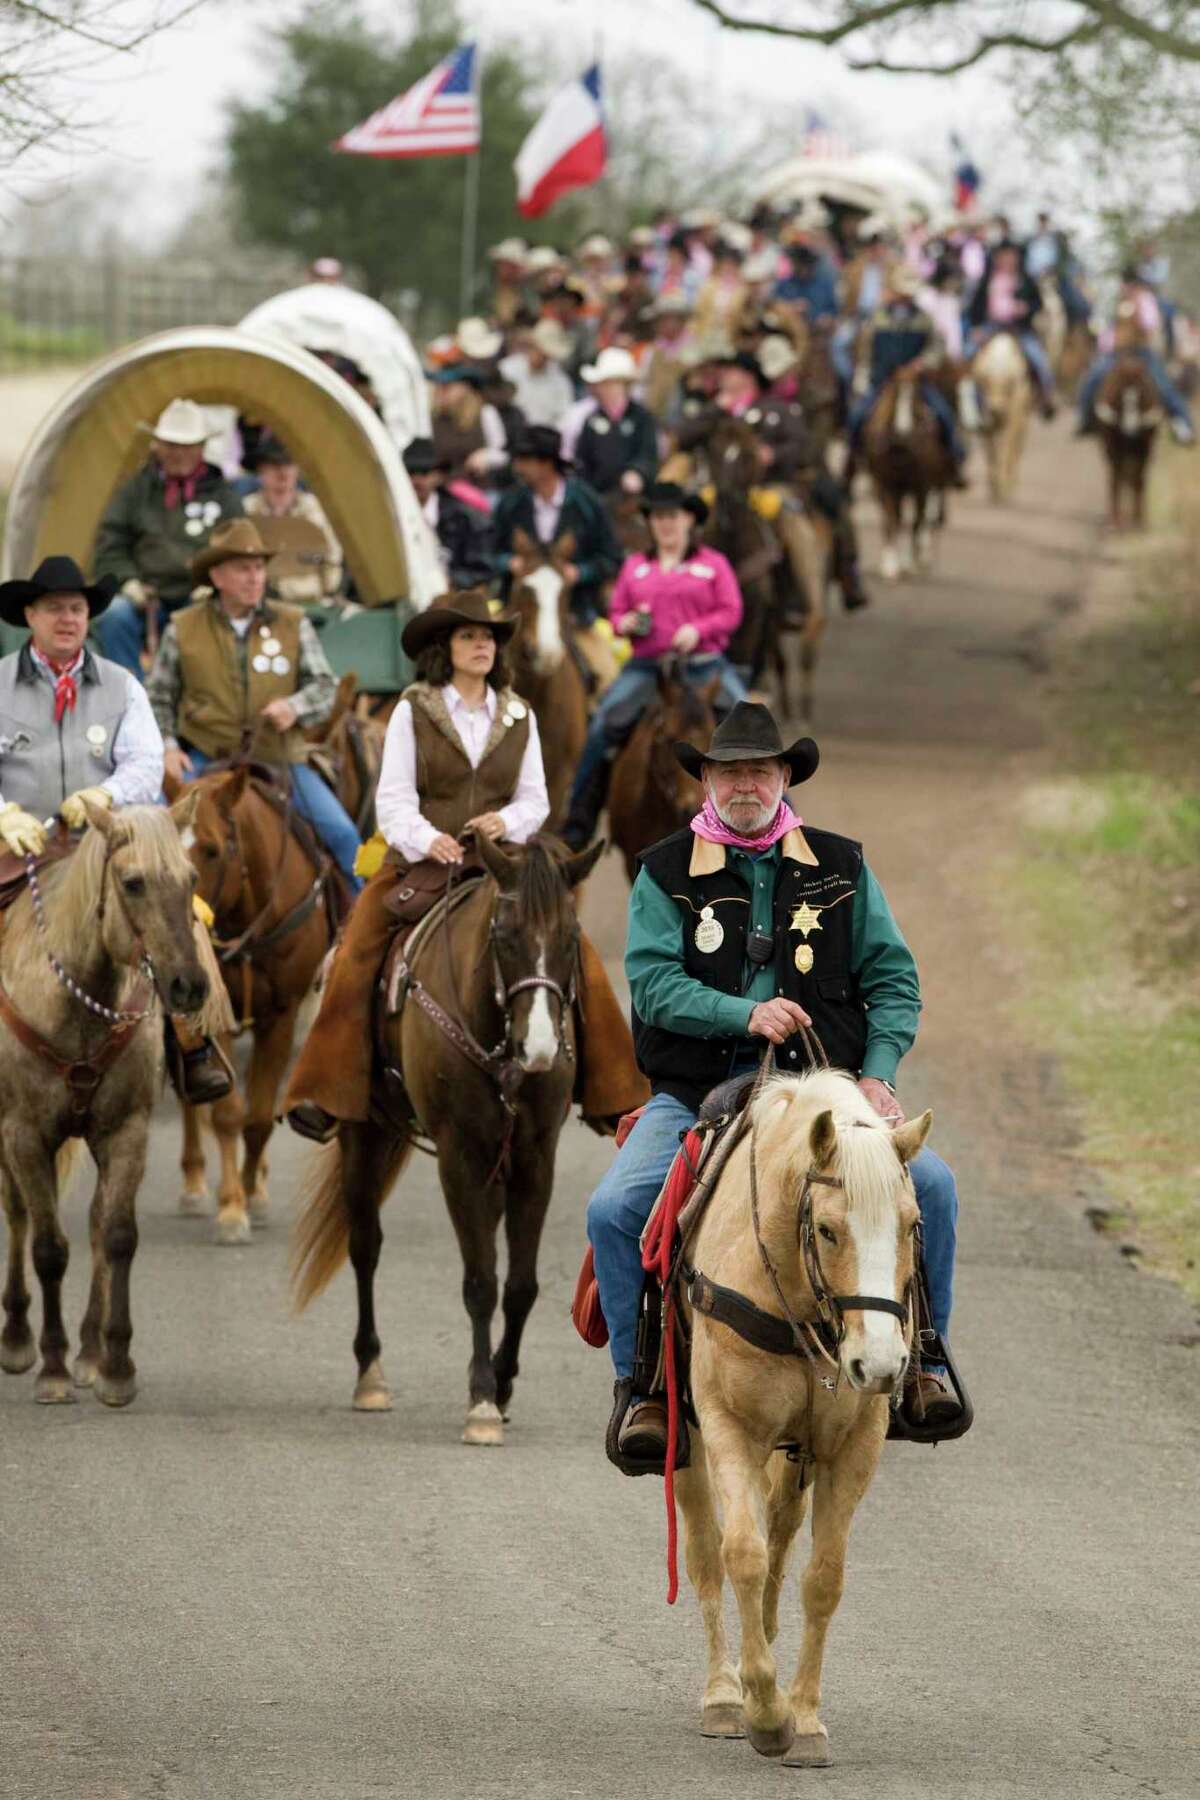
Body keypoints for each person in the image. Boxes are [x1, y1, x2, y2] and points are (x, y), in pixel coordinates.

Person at [583, 702, 963, 1463]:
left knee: (939, 1189)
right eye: (730, 771)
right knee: (615, 1209)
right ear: (707, 781)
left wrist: (880, 1077)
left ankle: (924, 1362)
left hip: (828, 1091)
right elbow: (653, 987)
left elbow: (894, 980)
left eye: (761, 769)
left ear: (786, 776)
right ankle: (645, 1390)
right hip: (700, 1093)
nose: (746, 783)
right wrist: (743, 1015)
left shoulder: (842, 866)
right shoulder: (663, 871)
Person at [284, 590, 646, 1143]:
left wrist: (508, 823)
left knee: (571, 941)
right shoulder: (413, 708)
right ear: (444, 647)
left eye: (490, 637)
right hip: (423, 859)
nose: (482, 646)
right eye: (468, 636)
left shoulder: (518, 712)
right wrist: (430, 840)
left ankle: (612, 1090)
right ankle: (327, 1089)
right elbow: (395, 798)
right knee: (357, 946)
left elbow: (536, 799)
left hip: (506, 862)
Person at [0, 555, 231, 1104]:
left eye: (77, 609)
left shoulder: (123, 685)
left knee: (183, 918)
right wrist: (4, 813)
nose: (67, 619)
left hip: (102, 852)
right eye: (54, 608)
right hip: (14, 855)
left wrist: (106, 795)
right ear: (29, 615)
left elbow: (147, 765)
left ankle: (194, 1048)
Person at [145, 520, 362, 890]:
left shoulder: (294, 622)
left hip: (280, 761)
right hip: (204, 760)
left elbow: (325, 686)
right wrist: (167, 747)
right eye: (243, 569)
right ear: (217, 576)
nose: (255, 577)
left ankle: (359, 937)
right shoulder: (182, 627)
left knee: (344, 838)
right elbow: (157, 697)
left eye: (259, 568)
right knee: (148, 830)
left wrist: (294, 706)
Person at [561, 483, 749, 850]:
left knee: (756, 727)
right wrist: (625, 623)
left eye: (672, 517)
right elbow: (616, 614)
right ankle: (578, 821)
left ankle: (783, 822)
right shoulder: (636, 566)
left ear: (689, 520)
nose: (665, 524)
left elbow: (732, 611)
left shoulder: (713, 564)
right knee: (602, 725)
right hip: (648, 668)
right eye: (658, 517)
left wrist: (699, 629)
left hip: (705, 666)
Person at [92, 398, 244, 679]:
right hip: (146, 596)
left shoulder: (223, 497)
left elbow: (238, 549)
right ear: (158, 446)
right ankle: (131, 695)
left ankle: (197, 697)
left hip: (201, 595)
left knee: (213, 620)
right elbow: (111, 542)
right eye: (172, 445)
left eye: (187, 446)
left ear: (201, 448)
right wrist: (128, 581)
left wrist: (216, 585)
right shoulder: (135, 490)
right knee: (114, 615)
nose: (179, 453)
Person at [489, 426, 622, 627]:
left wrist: (579, 572)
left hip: (576, 613)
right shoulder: (510, 503)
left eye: (524, 460)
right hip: (517, 613)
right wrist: (509, 562)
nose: (517, 467)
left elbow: (611, 558)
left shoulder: (587, 504)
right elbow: (488, 553)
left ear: (546, 463)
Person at [850, 265, 969, 480]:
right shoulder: (877, 320)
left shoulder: (924, 319)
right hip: (884, 381)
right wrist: (869, 373)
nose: (904, 298)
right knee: (857, 416)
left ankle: (954, 460)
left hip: (916, 382)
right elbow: (866, 350)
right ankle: (852, 464)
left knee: (944, 414)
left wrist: (922, 363)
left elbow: (937, 347)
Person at [1076, 272, 1195, 445]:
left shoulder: (1146, 301)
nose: (1126, 288)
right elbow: (1110, 331)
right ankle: (1085, 420)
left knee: (1163, 386)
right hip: (1117, 354)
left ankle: (1183, 425)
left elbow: (1149, 326)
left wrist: (1137, 308)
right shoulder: (1117, 303)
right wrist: (1106, 346)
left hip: (1142, 353)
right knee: (1093, 378)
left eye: (1129, 285)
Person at [243, 437, 344, 606]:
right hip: (260, 602)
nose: (282, 474)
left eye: (289, 465)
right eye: (274, 466)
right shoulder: (246, 510)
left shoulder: (315, 509)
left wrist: (328, 590)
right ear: (261, 471)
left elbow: (332, 557)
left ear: (298, 469)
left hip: (310, 600)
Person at [965, 240, 1057, 419]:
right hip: (990, 328)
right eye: (1004, 256)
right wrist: (976, 328)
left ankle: (1046, 399)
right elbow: (974, 307)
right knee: (967, 358)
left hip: (1019, 329)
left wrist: (1026, 309)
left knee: (1040, 362)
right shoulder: (986, 280)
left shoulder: (1026, 279)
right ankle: (971, 405)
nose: (1008, 259)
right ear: (997, 258)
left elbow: (1038, 303)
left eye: (1011, 255)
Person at [564, 348, 660, 498]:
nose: (605, 389)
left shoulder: (642, 417)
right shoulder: (591, 420)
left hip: (633, 497)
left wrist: (637, 471)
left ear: (625, 385)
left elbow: (648, 454)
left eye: (612, 383)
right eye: (603, 384)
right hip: (597, 495)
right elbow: (581, 460)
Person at [403, 439, 493, 590]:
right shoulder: (392, 519)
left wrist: (447, 580)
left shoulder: (466, 519)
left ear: (439, 476)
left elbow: (482, 570)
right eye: (411, 472)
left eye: (425, 472)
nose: (417, 480)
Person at [499, 318, 576, 430]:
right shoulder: (507, 370)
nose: (544, 358)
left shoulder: (560, 380)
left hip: (545, 438)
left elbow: (565, 416)